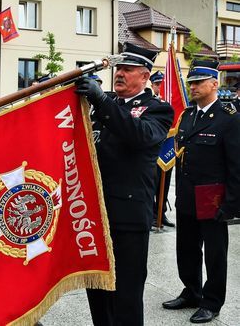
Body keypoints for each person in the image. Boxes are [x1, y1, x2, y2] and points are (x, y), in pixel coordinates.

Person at [74, 42, 174, 325]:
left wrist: (102, 103)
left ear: (145, 76)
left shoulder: (158, 109)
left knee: (126, 294)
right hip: (94, 214)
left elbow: (139, 136)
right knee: (98, 290)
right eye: (118, 69)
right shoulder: (105, 105)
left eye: (128, 70)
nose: (120, 74)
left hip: (128, 215)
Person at [162, 60, 240, 323]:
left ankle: (212, 301)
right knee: (186, 249)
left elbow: (236, 166)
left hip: (213, 199)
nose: (192, 86)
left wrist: (230, 204)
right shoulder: (186, 116)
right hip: (186, 196)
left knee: (215, 253)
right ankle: (192, 291)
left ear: (214, 84)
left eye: (198, 82)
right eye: (191, 82)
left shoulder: (230, 118)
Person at [149, 70, 175, 228]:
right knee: (152, 183)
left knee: (164, 185)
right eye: (157, 84)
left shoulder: (171, 102)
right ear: (152, 85)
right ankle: (152, 213)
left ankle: (161, 212)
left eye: (162, 83)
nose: (160, 86)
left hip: (167, 148)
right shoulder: (149, 103)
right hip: (153, 150)